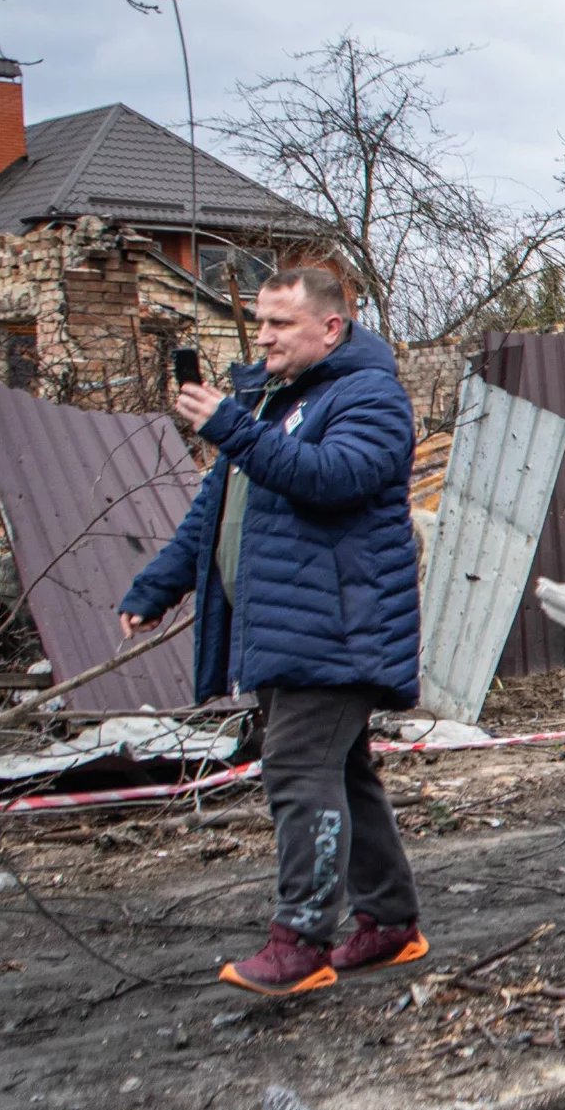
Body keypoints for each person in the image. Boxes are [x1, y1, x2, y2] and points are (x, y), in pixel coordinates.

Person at [120, 265, 425, 996]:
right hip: (294, 628)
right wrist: (158, 585)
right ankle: (387, 924)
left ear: (330, 327)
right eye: (258, 324)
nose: (262, 339)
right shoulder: (271, 402)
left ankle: (302, 942)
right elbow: (215, 511)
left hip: (340, 628)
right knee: (343, 774)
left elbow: (333, 478)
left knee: (297, 771)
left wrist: (230, 426)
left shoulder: (371, 398)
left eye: (279, 325)